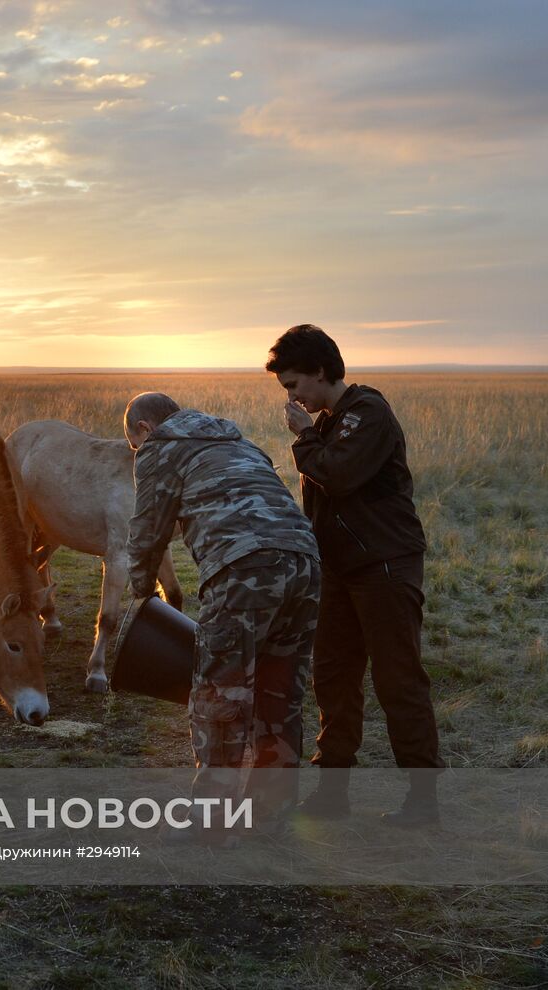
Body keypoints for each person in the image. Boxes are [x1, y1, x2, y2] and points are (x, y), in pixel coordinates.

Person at [266, 324, 445, 827]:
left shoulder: (367, 413)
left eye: (295, 384)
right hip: (341, 570)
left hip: (384, 566)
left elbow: (338, 475)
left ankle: (424, 801)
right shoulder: (330, 421)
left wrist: (303, 434)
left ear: (321, 372)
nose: (293, 396)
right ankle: (331, 793)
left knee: (398, 681)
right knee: (333, 678)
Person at [124, 392, 321, 835]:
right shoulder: (237, 439)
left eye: (135, 445)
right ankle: (270, 816)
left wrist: (142, 601)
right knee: (280, 692)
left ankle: (213, 823)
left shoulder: (159, 446)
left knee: (220, 697)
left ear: (143, 430)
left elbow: (146, 533)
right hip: (306, 562)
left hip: (243, 569)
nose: (139, 453)